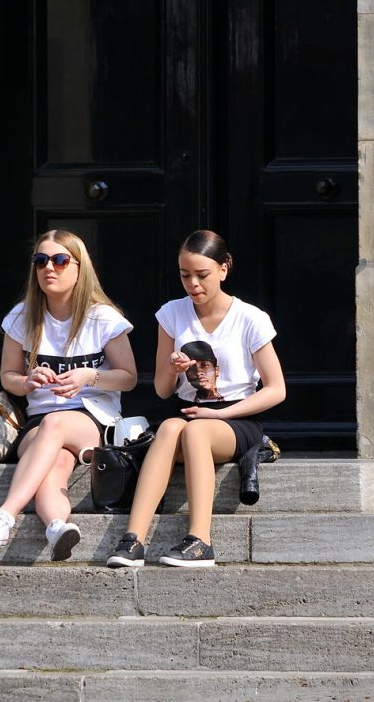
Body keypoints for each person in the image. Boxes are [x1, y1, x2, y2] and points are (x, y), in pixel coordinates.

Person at [106, 230, 285, 568]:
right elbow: (161, 390)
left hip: (236, 419)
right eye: (184, 275)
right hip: (186, 414)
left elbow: (276, 389)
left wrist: (220, 414)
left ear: (223, 268)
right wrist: (172, 369)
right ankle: (133, 540)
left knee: (195, 430)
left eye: (202, 274)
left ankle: (201, 540)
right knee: (171, 429)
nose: (193, 284)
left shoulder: (250, 318)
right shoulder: (171, 314)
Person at [0, 230, 137, 560]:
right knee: (56, 462)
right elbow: (8, 378)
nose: (50, 267)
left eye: (61, 260)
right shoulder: (22, 317)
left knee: (55, 426)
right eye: (41, 260)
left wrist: (90, 375)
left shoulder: (102, 318)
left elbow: (129, 378)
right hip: (39, 421)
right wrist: (28, 381)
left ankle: (4, 515)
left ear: (79, 267)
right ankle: (57, 526)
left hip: (92, 418)